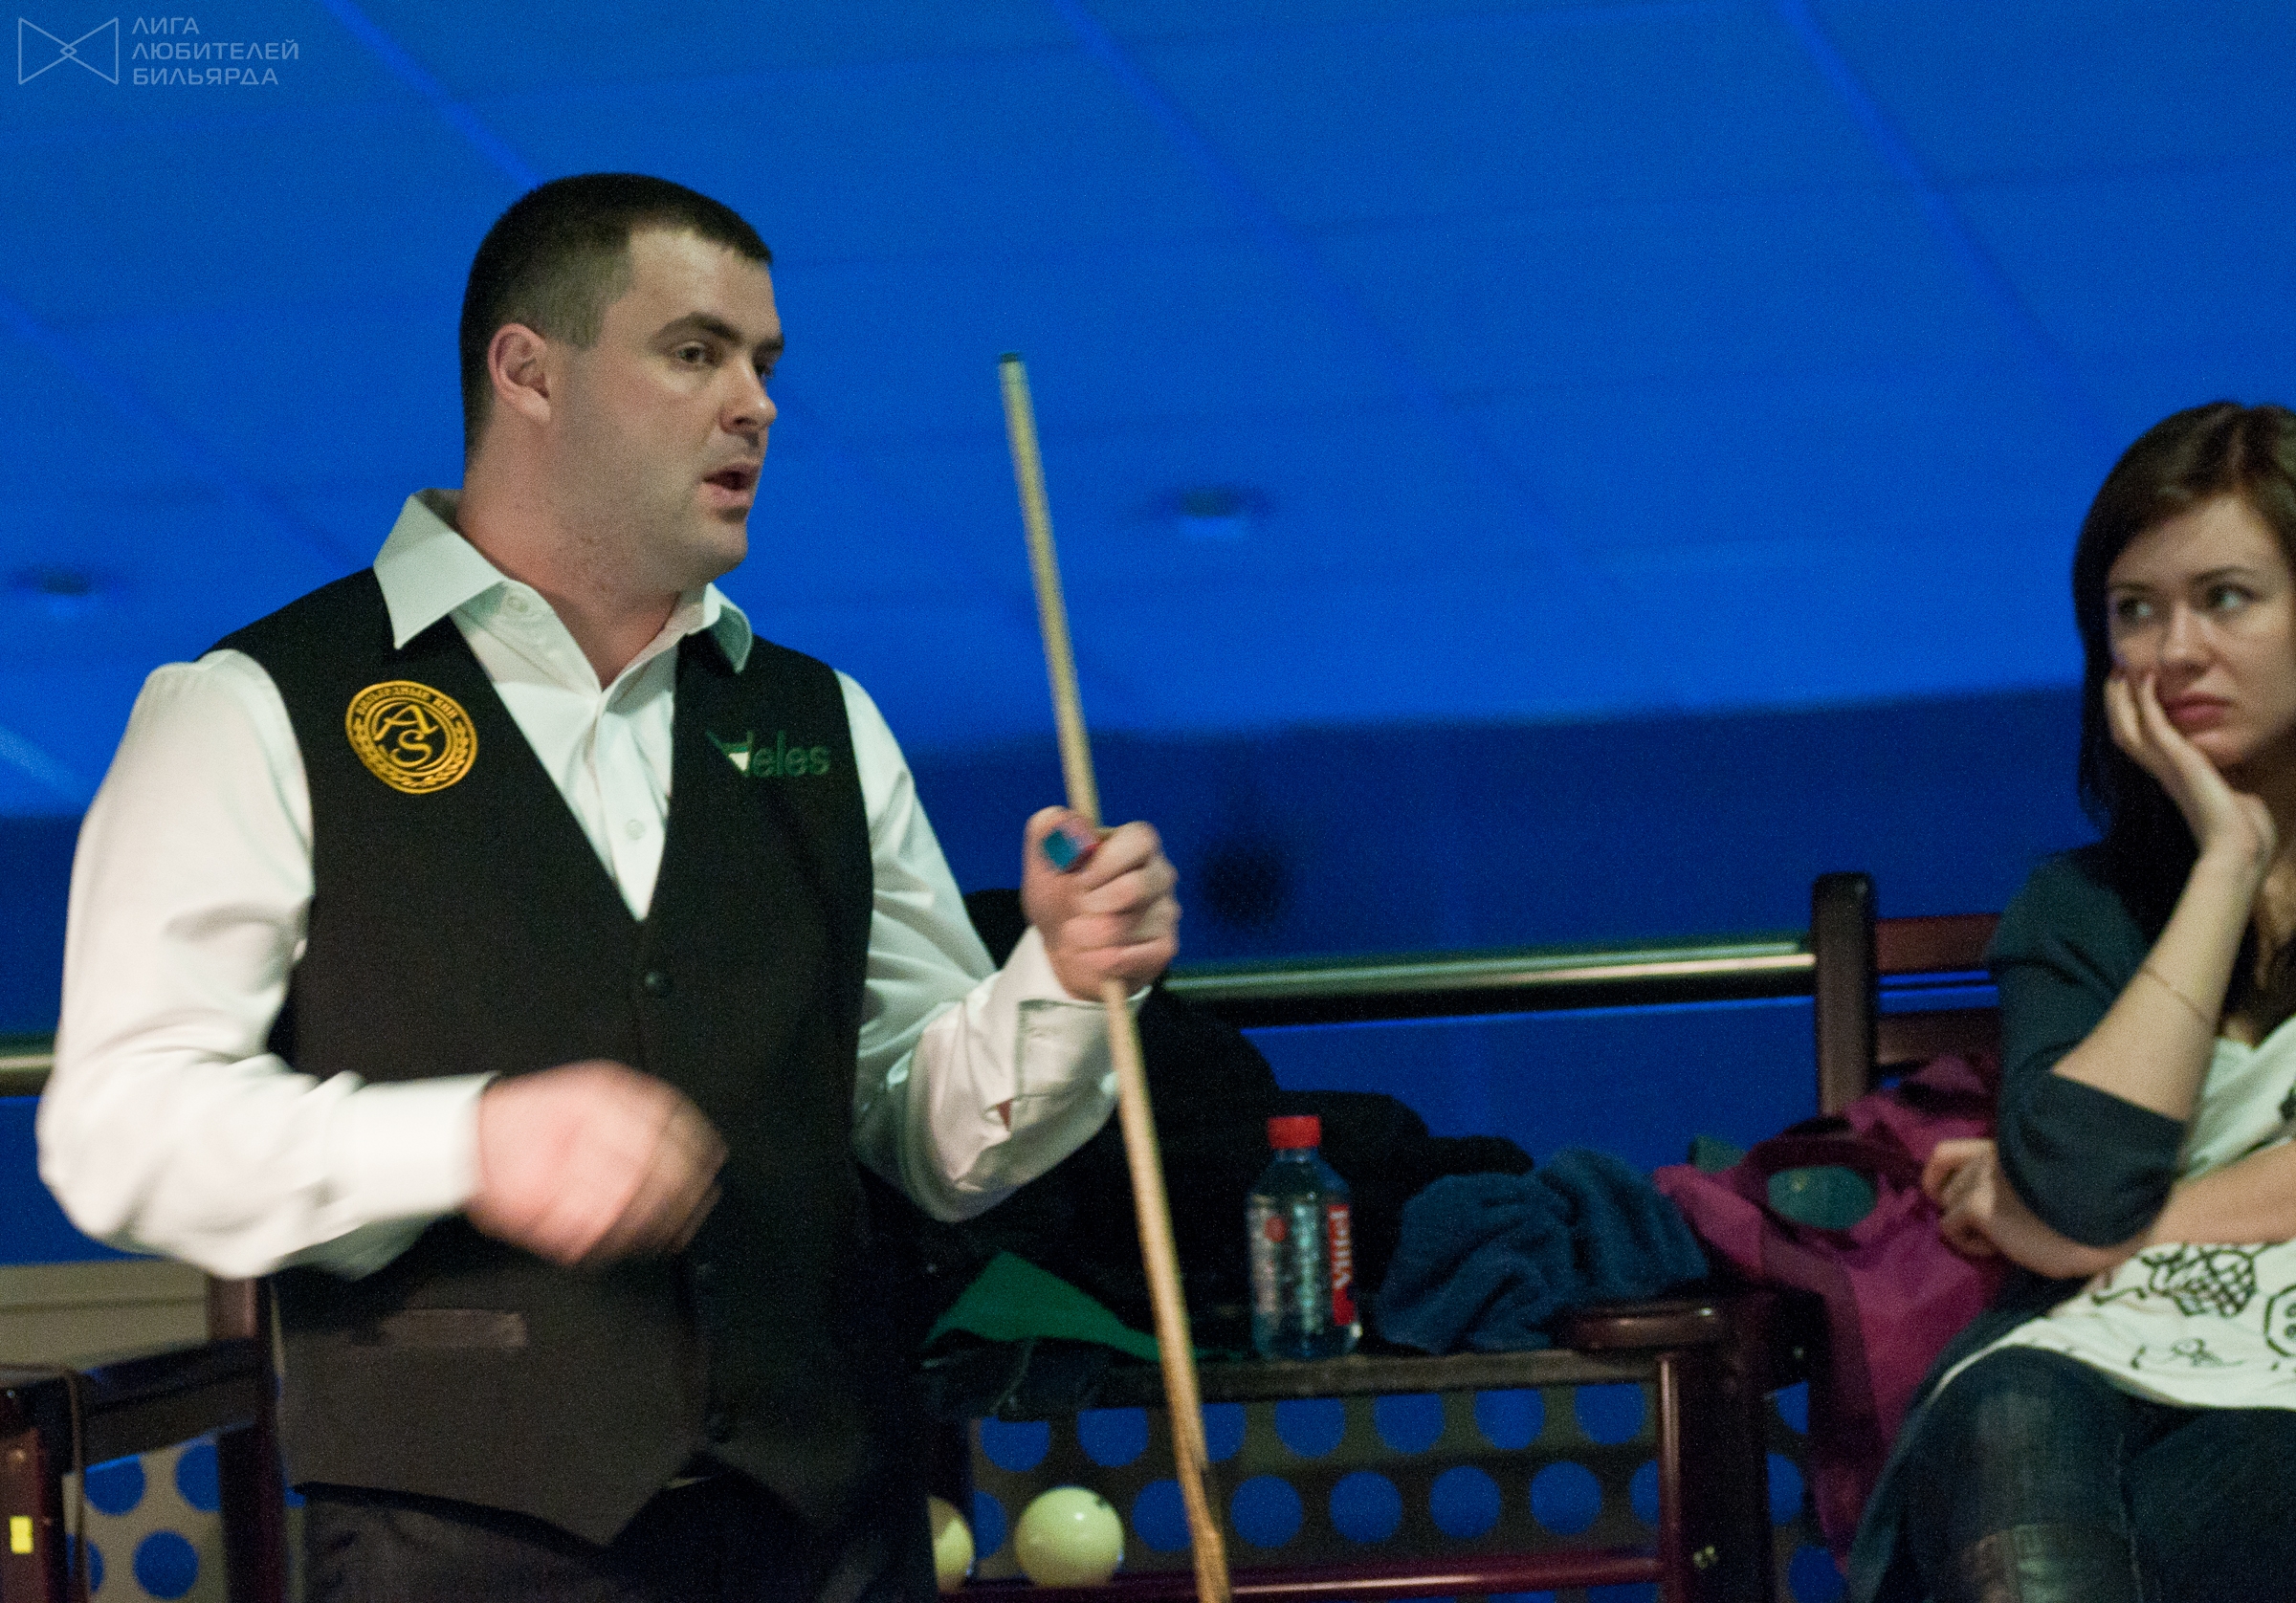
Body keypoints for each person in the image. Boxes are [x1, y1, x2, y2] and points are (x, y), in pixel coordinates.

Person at [36, 173, 1182, 1603]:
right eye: (696, 352)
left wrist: (1060, 983)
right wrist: (470, 1141)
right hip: (462, 1548)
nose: (756, 405)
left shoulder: (821, 723)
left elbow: (931, 1133)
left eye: (765, 363)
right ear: (529, 372)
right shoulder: (253, 706)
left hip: (833, 1529)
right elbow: (122, 1128)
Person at [1846, 401, 2296, 1603]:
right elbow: (2083, 1189)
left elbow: (2071, 1218)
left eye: (2227, 597)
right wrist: (2226, 866)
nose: (2174, 650)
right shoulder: (2078, 906)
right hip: (2098, 1362)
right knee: (2005, 1402)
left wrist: (2077, 1224)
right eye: (2134, 610)